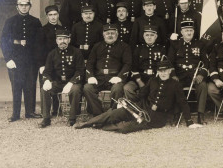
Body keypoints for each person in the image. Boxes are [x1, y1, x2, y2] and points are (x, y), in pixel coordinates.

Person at [75, 59, 203, 132]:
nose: (163, 73)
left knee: (125, 128)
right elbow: (142, 94)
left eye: (166, 71)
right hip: (142, 107)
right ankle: (87, 124)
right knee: (115, 113)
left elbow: (183, 103)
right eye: (160, 71)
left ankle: (100, 126)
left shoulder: (175, 84)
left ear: (170, 71)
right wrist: (126, 101)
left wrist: (190, 122)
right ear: (158, 72)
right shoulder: (153, 80)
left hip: (157, 117)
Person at [0, 0, 43, 121]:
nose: (24, 7)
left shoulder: (36, 21)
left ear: (30, 6)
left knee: (30, 85)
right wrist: (8, 59)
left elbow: (40, 42)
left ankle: (30, 112)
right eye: (21, 5)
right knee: (16, 86)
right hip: (15, 60)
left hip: (31, 60)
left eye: (26, 4)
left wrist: (38, 61)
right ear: (17, 6)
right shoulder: (10, 21)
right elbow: (4, 41)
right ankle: (15, 114)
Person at [83, 23, 132, 116]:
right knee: (87, 88)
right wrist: (91, 76)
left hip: (115, 78)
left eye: (112, 33)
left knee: (117, 89)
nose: (110, 35)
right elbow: (90, 63)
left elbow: (128, 64)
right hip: (99, 78)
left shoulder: (124, 47)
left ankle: (112, 114)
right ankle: (99, 114)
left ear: (117, 34)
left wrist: (120, 77)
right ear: (103, 34)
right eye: (107, 33)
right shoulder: (97, 46)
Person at [39, 28, 85, 127]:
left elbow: (80, 71)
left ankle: (72, 118)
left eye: (65, 39)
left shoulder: (76, 52)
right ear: (56, 41)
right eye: (60, 39)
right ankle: (46, 118)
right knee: (44, 89)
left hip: (72, 82)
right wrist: (46, 80)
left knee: (76, 90)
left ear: (69, 40)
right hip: (58, 82)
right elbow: (47, 71)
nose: (62, 41)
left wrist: (71, 82)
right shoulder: (52, 54)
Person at [168, 20, 210, 125]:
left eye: (191, 30)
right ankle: (176, 114)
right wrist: (173, 75)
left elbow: (206, 63)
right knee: (175, 86)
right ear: (181, 32)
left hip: (195, 75)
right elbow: (169, 62)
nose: (189, 32)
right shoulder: (175, 44)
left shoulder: (200, 44)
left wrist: (201, 74)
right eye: (186, 30)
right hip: (179, 75)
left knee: (203, 85)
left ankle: (201, 114)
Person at [122, 25, 166, 102]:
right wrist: (139, 81)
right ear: (143, 36)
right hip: (140, 77)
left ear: (156, 36)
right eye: (147, 35)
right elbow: (134, 67)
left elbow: (164, 66)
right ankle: (137, 106)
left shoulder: (161, 49)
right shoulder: (138, 49)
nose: (149, 37)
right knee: (127, 88)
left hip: (155, 78)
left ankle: (149, 107)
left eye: (152, 35)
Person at [36, 5, 62, 116]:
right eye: (50, 15)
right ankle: (45, 111)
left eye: (55, 14)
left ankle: (57, 109)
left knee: (57, 84)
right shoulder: (42, 30)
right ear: (47, 17)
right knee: (45, 86)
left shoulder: (63, 29)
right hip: (46, 63)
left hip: (59, 63)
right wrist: (41, 65)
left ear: (58, 15)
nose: (53, 17)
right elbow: (38, 49)